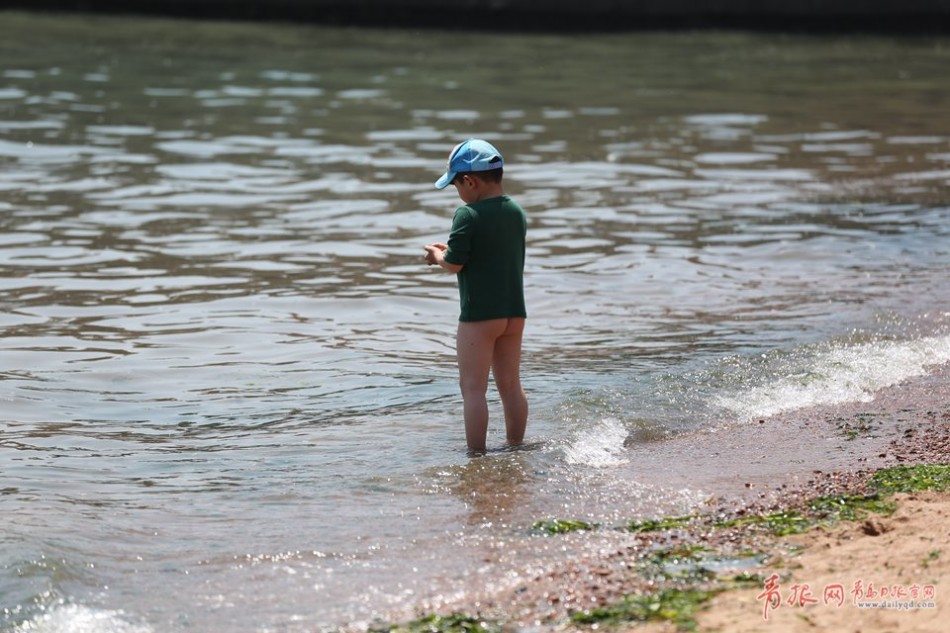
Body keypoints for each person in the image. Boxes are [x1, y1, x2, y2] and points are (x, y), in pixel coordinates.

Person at [423, 139, 528, 454]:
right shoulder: (515, 211)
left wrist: (436, 256)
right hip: (513, 313)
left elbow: (455, 263)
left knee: (473, 389)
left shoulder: (466, 214)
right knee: (510, 386)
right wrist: (455, 250)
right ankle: (515, 446)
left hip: (480, 315)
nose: (458, 192)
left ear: (469, 180)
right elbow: (492, 251)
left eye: (456, 185)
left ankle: (477, 457)